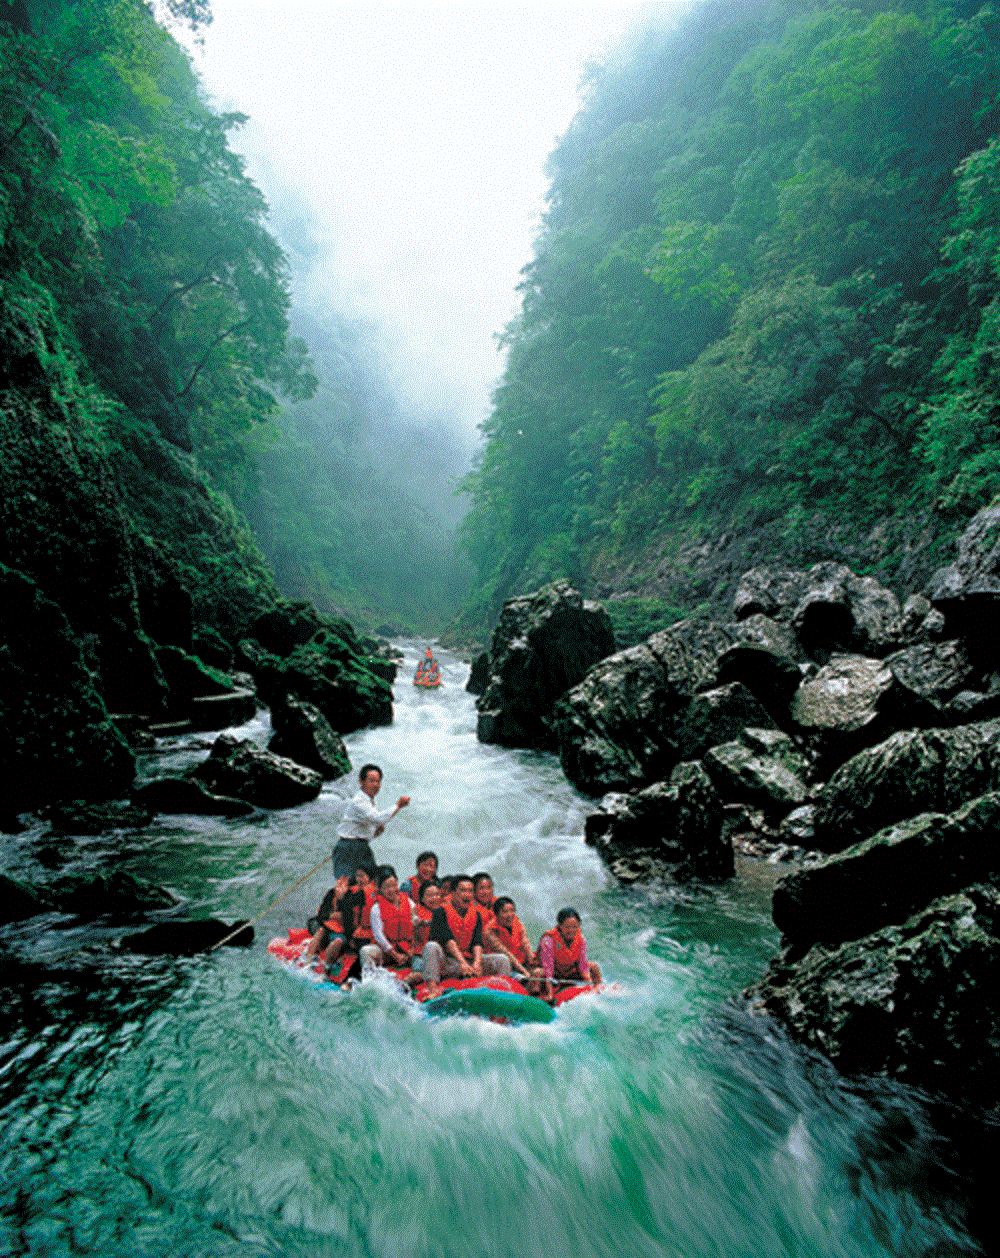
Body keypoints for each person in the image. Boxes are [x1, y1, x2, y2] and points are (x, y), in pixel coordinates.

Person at [421, 874, 511, 999]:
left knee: (502, 960)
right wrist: (462, 963)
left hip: (468, 962)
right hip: (447, 963)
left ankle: (503, 994)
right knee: (431, 947)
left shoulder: (476, 915)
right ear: (453, 893)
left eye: (470, 891)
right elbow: (448, 940)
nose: (467, 895)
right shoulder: (440, 912)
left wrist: (477, 963)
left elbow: (477, 942)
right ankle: (432, 990)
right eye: (463, 890)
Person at [332, 763, 409, 879]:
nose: (376, 785)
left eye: (378, 781)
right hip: (348, 847)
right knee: (346, 883)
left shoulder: (371, 802)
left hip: (361, 846)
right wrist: (398, 805)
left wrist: (375, 833)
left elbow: (365, 830)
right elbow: (377, 819)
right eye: (372, 781)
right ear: (361, 782)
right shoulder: (359, 801)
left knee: (373, 879)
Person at [538, 907, 602, 999]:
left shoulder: (581, 939)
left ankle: (599, 989)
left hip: (569, 972)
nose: (571, 930)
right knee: (538, 973)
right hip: (554, 973)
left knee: (594, 967)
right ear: (560, 926)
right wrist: (550, 994)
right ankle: (541, 995)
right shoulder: (549, 940)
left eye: (575, 927)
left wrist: (589, 985)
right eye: (567, 927)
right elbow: (548, 968)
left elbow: (583, 965)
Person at [360, 866, 415, 974]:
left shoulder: (409, 902)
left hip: (407, 948)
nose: (392, 890)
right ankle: (370, 979)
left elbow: (417, 926)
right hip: (387, 951)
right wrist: (395, 955)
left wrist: (412, 949)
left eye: (394, 885)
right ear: (380, 889)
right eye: (387, 887)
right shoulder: (376, 908)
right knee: (366, 951)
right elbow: (378, 935)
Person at [485, 896, 537, 980]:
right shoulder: (490, 930)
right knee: (506, 961)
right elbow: (506, 954)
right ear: (496, 914)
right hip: (505, 966)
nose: (510, 915)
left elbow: (526, 945)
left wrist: (533, 965)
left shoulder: (519, 924)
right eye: (505, 912)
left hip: (521, 962)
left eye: (512, 911)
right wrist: (525, 972)